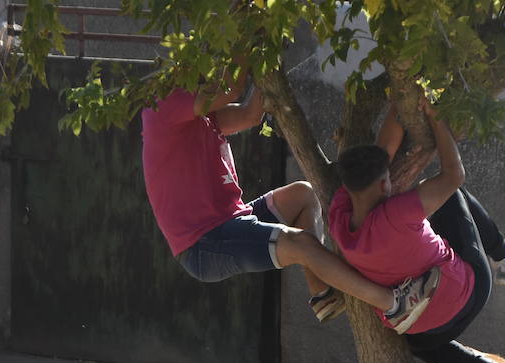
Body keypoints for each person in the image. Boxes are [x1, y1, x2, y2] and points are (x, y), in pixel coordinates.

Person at [140, 71, 438, 332]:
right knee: (301, 245)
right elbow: (231, 88)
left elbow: (249, 114)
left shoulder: (202, 118)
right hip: (204, 243)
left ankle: (322, 294)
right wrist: (255, 37)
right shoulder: (162, 105)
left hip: (231, 221)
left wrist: (267, 63)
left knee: (303, 193)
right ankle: (393, 305)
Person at [328, 99, 505, 363]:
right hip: (471, 292)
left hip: (429, 329)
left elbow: (384, 149)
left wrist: (400, 106)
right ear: (385, 183)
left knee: (415, 342)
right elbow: (454, 175)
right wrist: (435, 117)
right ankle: (503, 258)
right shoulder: (398, 213)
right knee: (451, 193)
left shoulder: (339, 221)